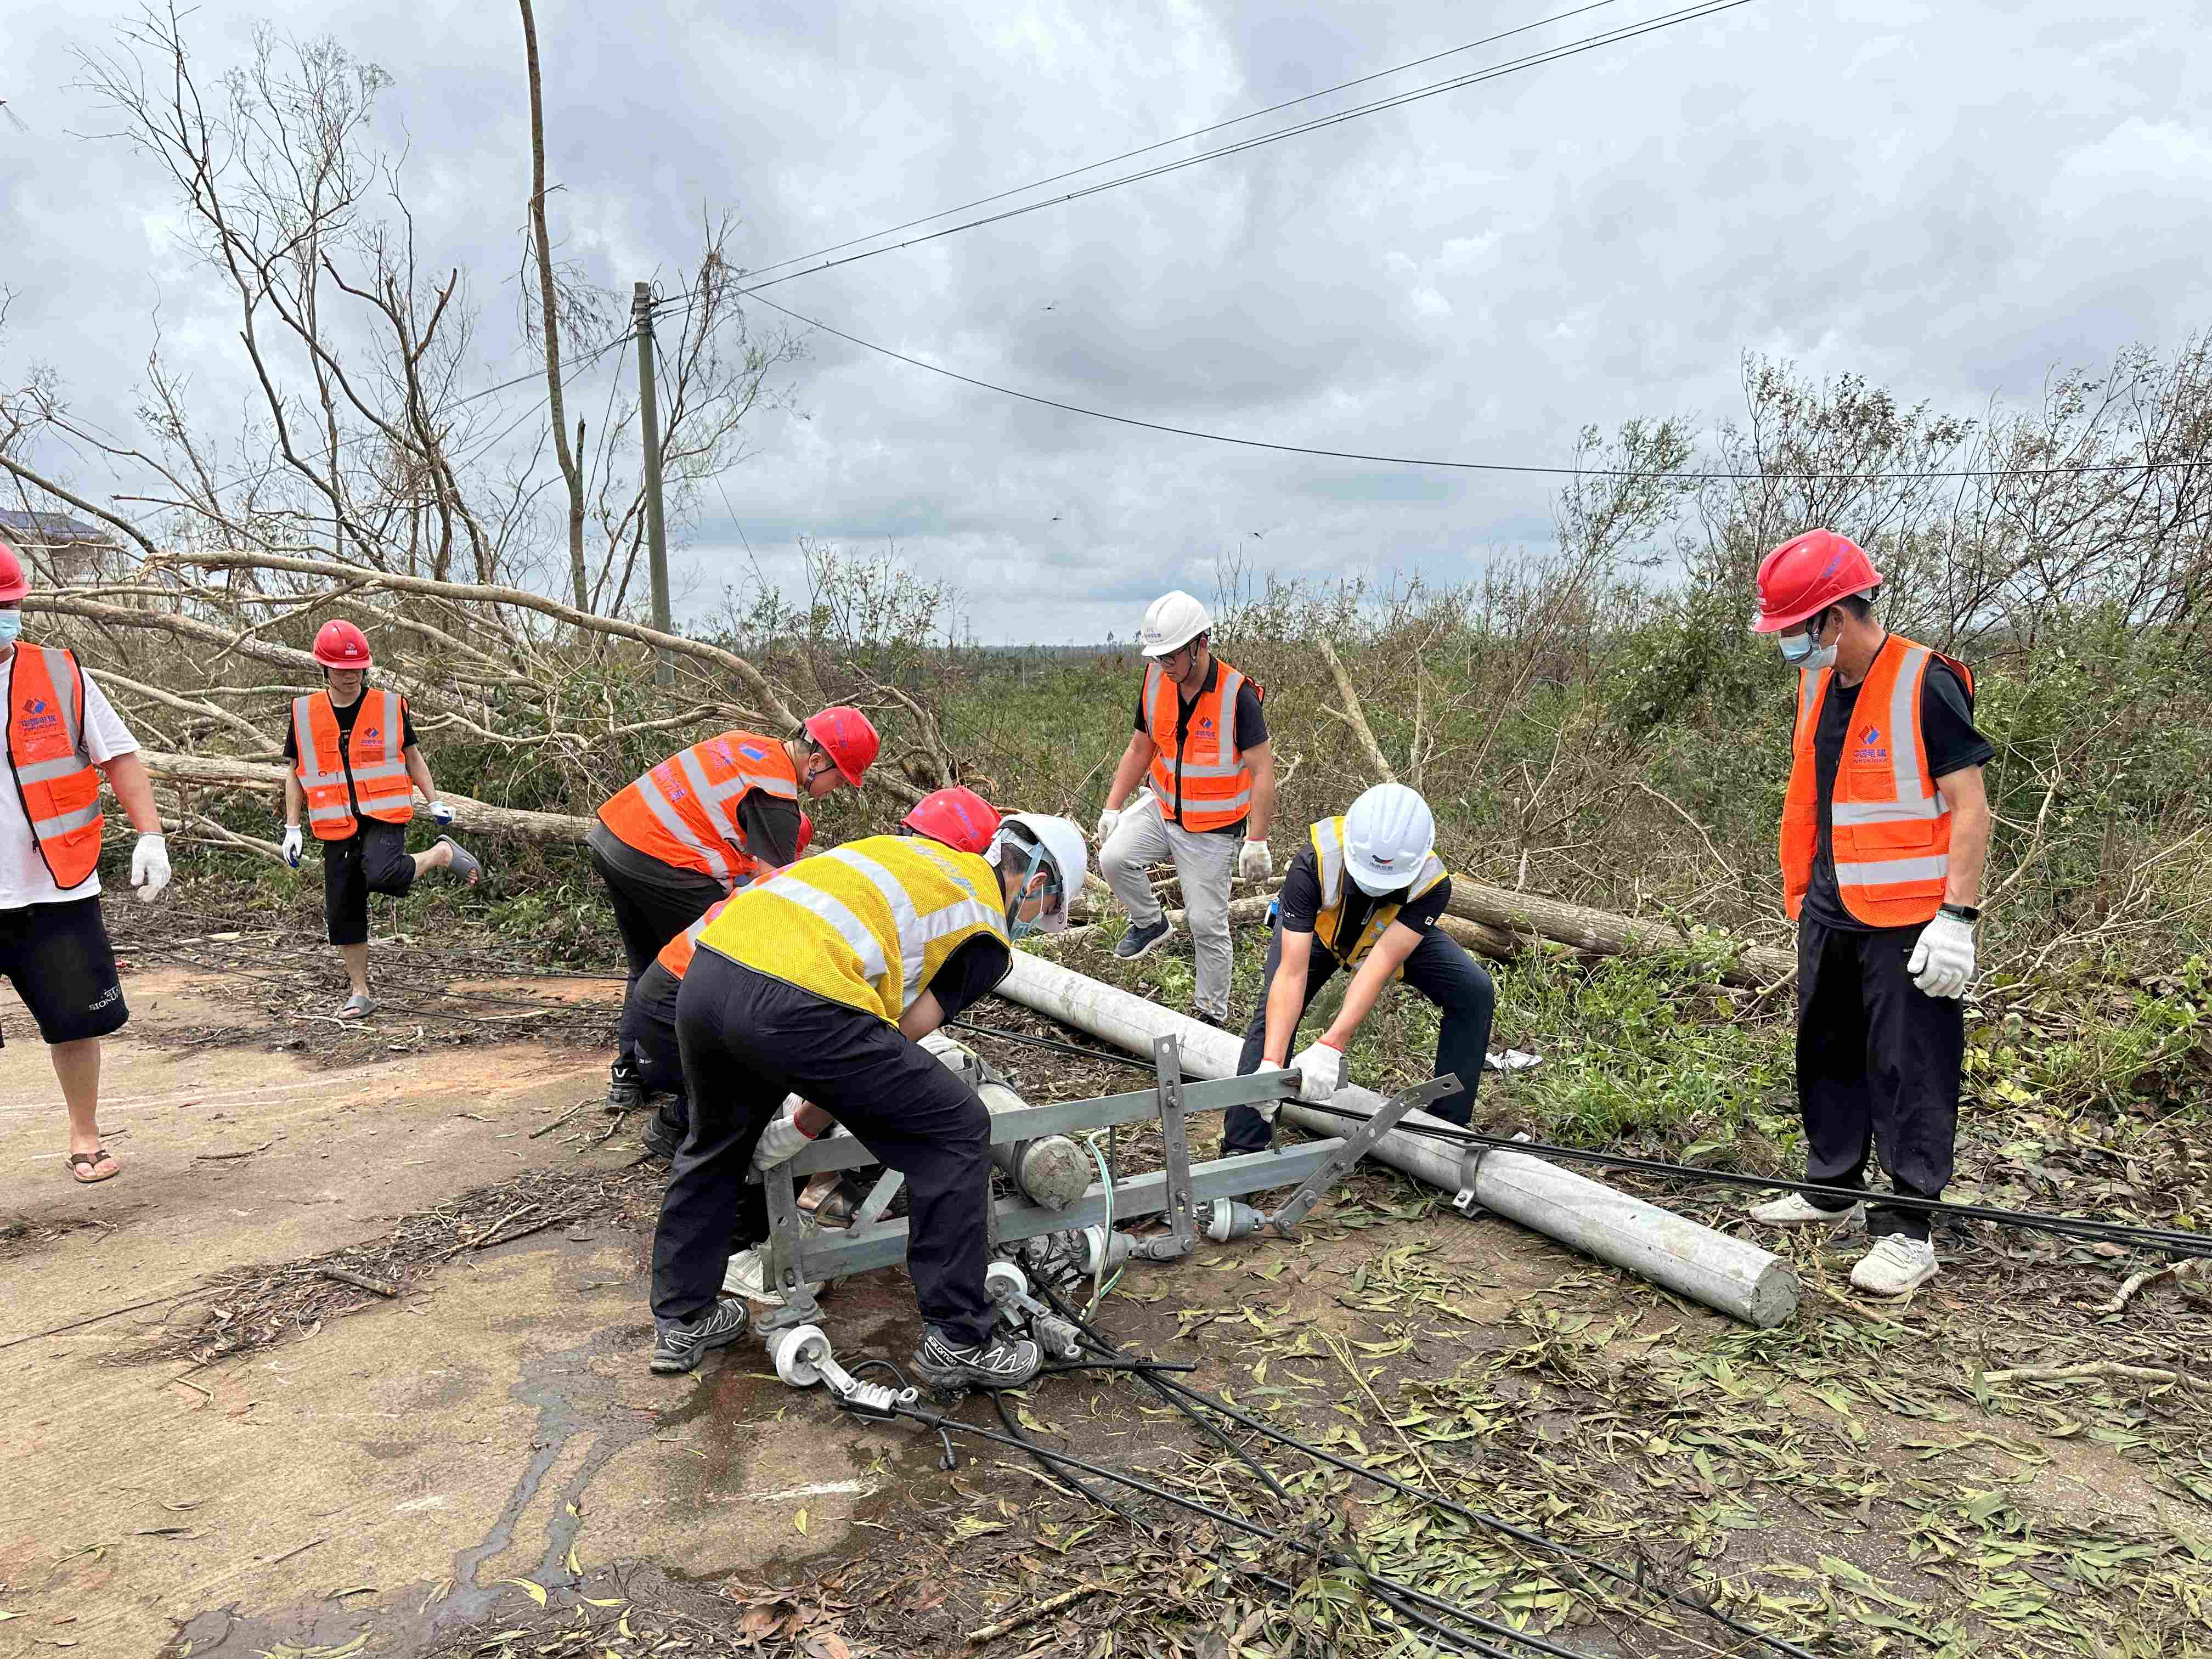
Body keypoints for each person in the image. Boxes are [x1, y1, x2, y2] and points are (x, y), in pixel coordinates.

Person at [645, 809, 1088, 1390]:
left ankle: (685, 1319)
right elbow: (900, 1032)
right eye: (1044, 912)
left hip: (712, 970)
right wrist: (808, 1118)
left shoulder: (914, 855)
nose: (1033, 922)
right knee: (954, 1130)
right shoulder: (985, 930)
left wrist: (801, 1120)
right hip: (799, 1000)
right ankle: (960, 1338)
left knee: (716, 1142)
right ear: (1034, 884)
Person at [1747, 529, 1993, 1298]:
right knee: (1826, 1048)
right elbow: (1821, 796)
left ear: (1836, 619)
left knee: (1909, 1066)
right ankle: (1831, 1186)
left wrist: (1959, 917)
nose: (1789, 643)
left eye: (1795, 628)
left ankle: (1908, 1226)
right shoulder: (1820, 685)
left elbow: (1972, 808)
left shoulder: (1925, 682)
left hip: (1910, 918)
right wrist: (1804, 891)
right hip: (1831, 905)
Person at [592, 707, 879, 1113]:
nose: (838, 788)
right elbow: (774, 895)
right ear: (816, 762)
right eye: (840, 778)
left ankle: (628, 1076)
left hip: (613, 838)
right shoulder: (777, 795)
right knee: (716, 970)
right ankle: (693, 1090)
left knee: (648, 963)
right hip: (662, 860)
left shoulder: (743, 744)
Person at [0, 536, 172, 1183]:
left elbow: (120, 756)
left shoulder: (60, 674)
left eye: (8, 605)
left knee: (74, 1020)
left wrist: (150, 835)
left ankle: (86, 1136)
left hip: (56, 886)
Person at [1220, 783, 1496, 1155]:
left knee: (1474, 991)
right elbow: (1292, 974)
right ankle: (1243, 1147)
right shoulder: (1314, 861)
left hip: (1386, 931)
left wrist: (1331, 1045)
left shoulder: (1431, 883)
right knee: (1274, 1015)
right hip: (1320, 928)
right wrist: (1272, 1062)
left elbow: (1378, 965)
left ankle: (1446, 1127)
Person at [1093, 590, 1276, 1026]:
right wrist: (1112, 807)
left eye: (1172, 656)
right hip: (1163, 808)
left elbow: (1263, 771)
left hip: (1212, 830)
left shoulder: (1238, 696)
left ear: (1200, 644)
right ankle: (1150, 923)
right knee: (1114, 857)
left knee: (1207, 925)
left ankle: (1211, 1014)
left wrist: (1257, 840)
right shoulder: (1157, 681)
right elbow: (1141, 747)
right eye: (1158, 657)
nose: (1165, 666)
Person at [281, 619, 480, 1019]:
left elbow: (411, 755)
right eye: (341, 669)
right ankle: (360, 992)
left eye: (357, 669)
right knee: (343, 908)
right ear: (324, 669)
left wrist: (434, 801)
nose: (351, 676)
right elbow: (294, 771)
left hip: (385, 813)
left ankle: (441, 854)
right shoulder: (304, 713)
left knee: (383, 873)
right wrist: (292, 827)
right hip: (335, 821)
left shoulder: (388, 707)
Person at [627, 811, 813, 1163]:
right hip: (670, 1024)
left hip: (657, 1016)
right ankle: (692, 1134)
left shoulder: (748, 884)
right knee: (764, 1079)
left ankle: (682, 1117)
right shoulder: (784, 900)